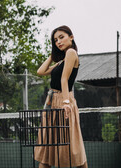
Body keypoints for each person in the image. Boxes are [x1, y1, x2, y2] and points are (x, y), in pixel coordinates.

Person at [34, 25, 88, 168]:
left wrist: (65, 102)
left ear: (71, 37)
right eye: (55, 40)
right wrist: (53, 54)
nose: (58, 41)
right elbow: (41, 71)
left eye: (61, 37)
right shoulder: (62, 61)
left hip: (63, 100)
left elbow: (64, 79)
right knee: (49, 145)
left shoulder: (71, 52)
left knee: (71, 145)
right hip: (53, 101)